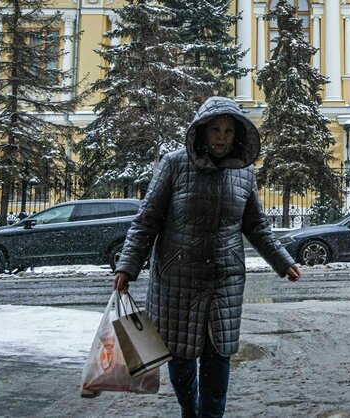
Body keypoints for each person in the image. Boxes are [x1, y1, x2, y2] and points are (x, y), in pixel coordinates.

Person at [113, 97, 301, 418]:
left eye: (228, 131)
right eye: (215, 129)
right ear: (201, 132)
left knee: (218, 358)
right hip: (176, 281)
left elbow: (255, 225)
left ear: (237, 135)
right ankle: (190, 410)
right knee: (181, 359)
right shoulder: (174, 165)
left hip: (224, 282)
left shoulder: (244, 174)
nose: (221, 137)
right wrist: (128, 267)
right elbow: (147, 220)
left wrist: (283, 261)